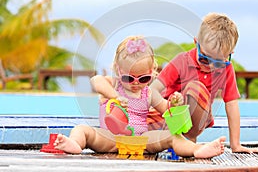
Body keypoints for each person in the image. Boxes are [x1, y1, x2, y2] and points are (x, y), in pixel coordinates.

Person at [54, 35, 226, 158]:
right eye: (129, 78)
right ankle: (74, 144)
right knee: (82, 129)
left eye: (143, 78)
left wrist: (174, 103)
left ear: (152, 72)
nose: (135, 83)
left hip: (141, 140)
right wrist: (114, 96)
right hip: (110, 138)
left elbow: (165, 109)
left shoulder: (148, 93)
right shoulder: (115, 84)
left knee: (172, 137)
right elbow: (95, 80)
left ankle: (196, 150)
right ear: (118, 70)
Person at [150, 13, 258, 153]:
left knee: (195, 88)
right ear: (196, 43)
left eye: (218, 62)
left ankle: (189, 140)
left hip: (196, 118)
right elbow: (152, 90)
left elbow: (232, 104)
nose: (211, 66)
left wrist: (235, 145)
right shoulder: (182, 61)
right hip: (166, 115)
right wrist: (169, 110)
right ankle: (178, 141)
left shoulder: (226, 69)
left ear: (230, 53)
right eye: (204, 59)